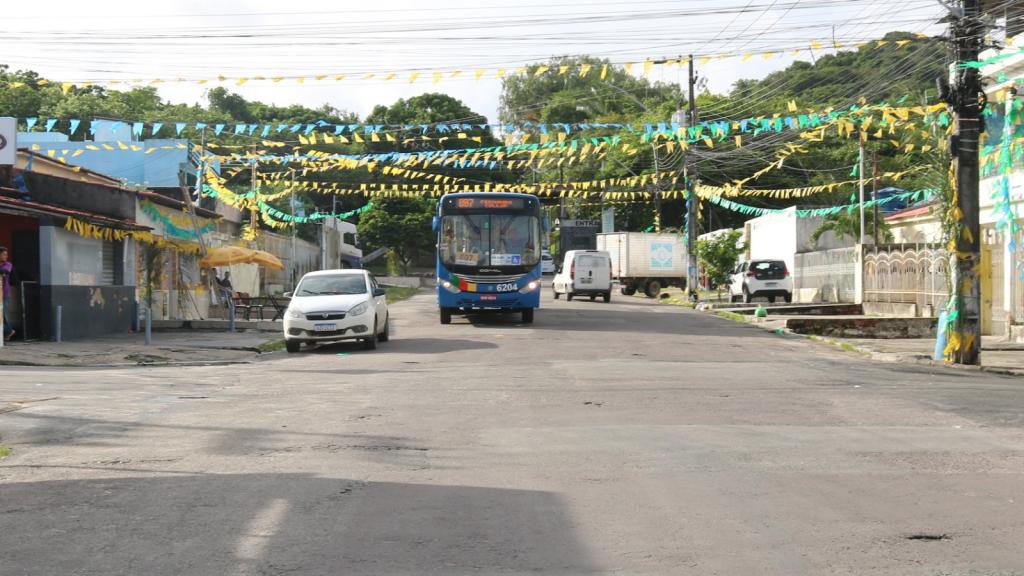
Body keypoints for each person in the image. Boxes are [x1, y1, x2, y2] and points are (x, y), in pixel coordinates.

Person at [0, 247, 17, 341]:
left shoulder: (8, 264)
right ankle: (8, 331)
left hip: (5, 293)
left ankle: (9, 331)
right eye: (3, 254)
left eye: (6, 254)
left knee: (5, 314)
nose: (6, 256)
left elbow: (4, 271)